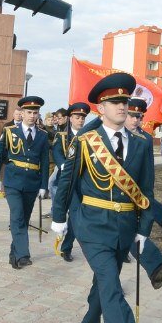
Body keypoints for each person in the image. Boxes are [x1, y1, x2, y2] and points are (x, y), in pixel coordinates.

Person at [51, 74, 154, 323]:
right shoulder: (85, 141)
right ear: (102, 107)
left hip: (124, 229)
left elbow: (145, 191)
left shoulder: (140, 144)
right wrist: (58, 218)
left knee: (103, 284)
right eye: (116, 103)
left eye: (126, 101)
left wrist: (143, 231)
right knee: (112, 289)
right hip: (92, 227)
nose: (124, 107)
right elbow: (67, 182)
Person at [0, 96, 49, 268]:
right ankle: (23, 254)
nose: (32, 115)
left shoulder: (43, 135)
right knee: (17, 216)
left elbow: (45, 161)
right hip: (13, 181)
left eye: (35, 112)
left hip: (32, 182)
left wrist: (44, 185)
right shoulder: (10, 132)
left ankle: (13, 254)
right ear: (22, 113)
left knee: (23, 218)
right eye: (29, 112)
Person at [124, 97, 162, 289]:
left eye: (139, 117)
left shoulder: (144, 139)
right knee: (125, 236)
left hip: (135, 195)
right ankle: (154, 265)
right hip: (109, 198)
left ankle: (154, 266)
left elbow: (148, 177)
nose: (136, 120)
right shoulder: (107, 136)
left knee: (132, 235)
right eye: (132, 116)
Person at [50, 101, 90, 260]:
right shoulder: (62, 136)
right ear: (70, 118)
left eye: (82, 117)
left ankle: (67, 247)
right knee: (74, 214)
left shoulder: (88, 136)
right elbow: (57, 153)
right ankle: (68, 245)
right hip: (67, 182)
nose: (80, 120)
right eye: (77, 117)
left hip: (83, 182)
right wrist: (63, 166)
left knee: (77, 215)